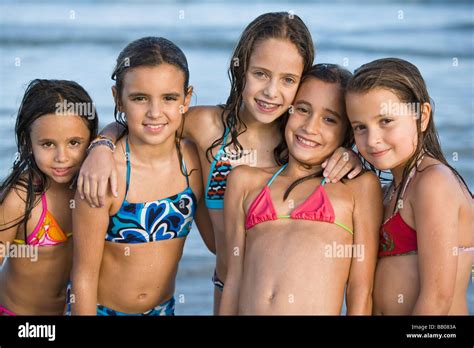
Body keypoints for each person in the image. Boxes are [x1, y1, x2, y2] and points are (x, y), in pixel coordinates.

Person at [76, 12, 362, 313]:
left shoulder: (303, 144)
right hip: (226, 285)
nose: (271, 91)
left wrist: (349, 152)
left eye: (288, 80)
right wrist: (102, 145)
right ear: (240, 69)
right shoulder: (205, 126)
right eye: (260, 73)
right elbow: (151, 121)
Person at [219, 64, 381, 315]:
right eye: (303, 109)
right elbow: (233, 280)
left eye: (329, 119)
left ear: (346, 131)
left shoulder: (357, 187)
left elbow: (360, 290)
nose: (310, 127)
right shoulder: (244, 181)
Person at [70, 37, 202, 315]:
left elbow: (218, 243)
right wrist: (102, 145)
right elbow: (83, 277)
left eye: (169, 98)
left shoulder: (193, 162)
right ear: (118, 98)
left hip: (164, 310)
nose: (155, 113)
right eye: (140, 98)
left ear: (186, 99)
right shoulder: (102, 175)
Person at [345, 57, 474, 315]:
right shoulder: (387, 191)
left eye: (386, 121)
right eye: (360, 127)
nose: (372, 140)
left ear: (422, 116)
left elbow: (437, 298)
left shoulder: (434, 183)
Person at [0, 79, 98, 315]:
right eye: (47, 144)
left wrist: (104, 147)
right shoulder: (20, 198)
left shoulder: (88, 185)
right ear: (28, 143)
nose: (61, 157)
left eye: (74, 143)